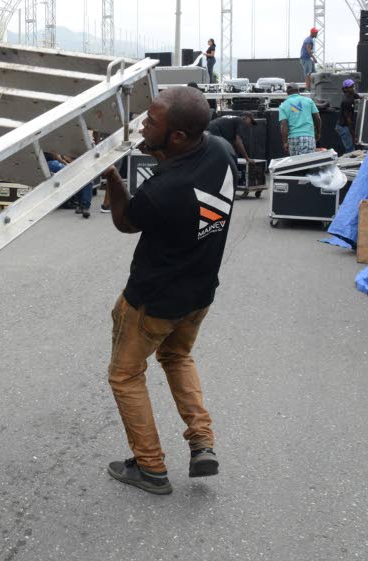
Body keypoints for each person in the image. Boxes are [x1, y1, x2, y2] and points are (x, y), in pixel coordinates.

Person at [101, 86, 236, 495]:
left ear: (177, 137)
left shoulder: (162, 193)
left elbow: (125, 221)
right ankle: (201, 441)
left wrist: (109, 175)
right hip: (198, 294)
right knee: (176, 356)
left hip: (152, 301)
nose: (143, 125)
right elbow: (178, 166)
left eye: (152, 122)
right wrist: (155, 147)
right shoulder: (219, 149)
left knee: (125, 375)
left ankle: (150, 467)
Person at [206, 113, 255, 184]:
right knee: (224, 154)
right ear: (247, 118)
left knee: (227, 152)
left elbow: (234, 143)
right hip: (214, 129)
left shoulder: (233, 121)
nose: (251, 125)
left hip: (210, 126)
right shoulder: (241, 122)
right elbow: (238, 142)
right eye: (251, 122)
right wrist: (247, 158)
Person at [45, 150, 94, 218]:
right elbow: (56, 155)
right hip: (50, 163)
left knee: (78, 174)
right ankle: (84, 206)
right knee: (78, 173)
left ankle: (81, 205)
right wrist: (66, 163)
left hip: (49, 163)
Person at [278, 84, 321, 156]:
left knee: (296, 165)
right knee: (308, 164)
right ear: (298, 91)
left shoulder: (283, 105)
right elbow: (318, 118)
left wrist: (285, 142)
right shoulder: (309, 101)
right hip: (308, 137)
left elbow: (283, 125)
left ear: (287, 93)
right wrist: (318, 132)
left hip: (293, 139)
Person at [337, 79, 360, 153]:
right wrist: (353, 135)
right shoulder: (346, 100)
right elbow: (348, 120)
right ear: (345, 89)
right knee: (350, 150)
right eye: (351, 87)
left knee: (351, 148)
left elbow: (358, 97)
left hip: (346, 126)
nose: (353, 88)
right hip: (344, 127)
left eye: (353, 86)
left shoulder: (352, 95)